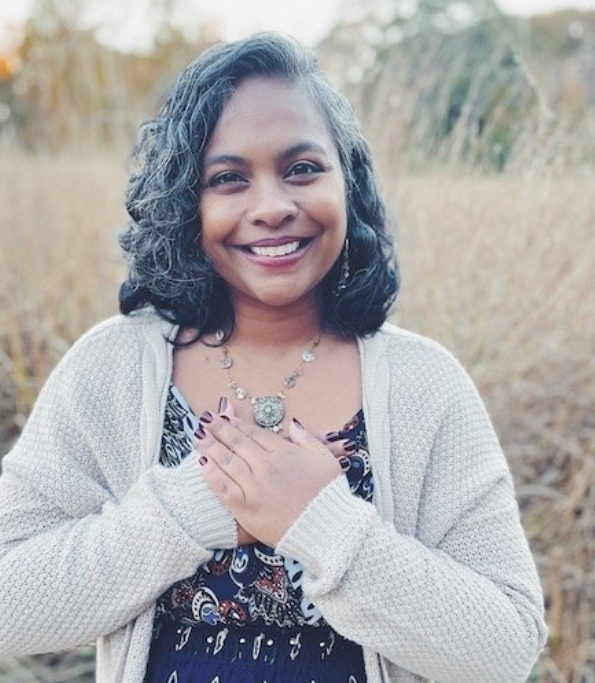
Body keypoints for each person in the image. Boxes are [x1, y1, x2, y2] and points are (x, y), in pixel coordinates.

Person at [0, 33, 546, 683]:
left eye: (302, 169)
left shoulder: (424, 386)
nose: (271, 208)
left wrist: (321, 522)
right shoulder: (112, 369)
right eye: (228, 179)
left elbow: (506, 650)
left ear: (348, 181)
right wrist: (196, 507)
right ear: (186, 201)